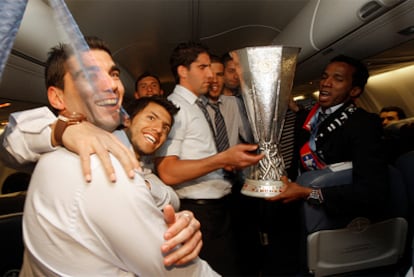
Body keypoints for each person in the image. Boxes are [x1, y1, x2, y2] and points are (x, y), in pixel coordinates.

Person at [1, 37, 213, 275]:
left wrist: (176, 215)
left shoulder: (131, 159)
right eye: (90, 75)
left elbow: (164, 195)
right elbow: (12, 141)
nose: (111, 84)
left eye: (113, 74)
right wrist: (62, 129)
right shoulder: (99, 166)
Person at [269, 55, 389, 272]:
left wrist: (307, 193)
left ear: (354, 91)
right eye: (325, 77)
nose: (326, 82)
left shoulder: (363, 125)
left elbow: (372, 192)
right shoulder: (310, 117)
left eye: (338, 79)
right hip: (297, 213)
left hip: (334, 221)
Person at [154, 41, 264, 276]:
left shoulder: (198, 106)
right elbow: (168, 171)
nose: (210, 74)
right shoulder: (176, 108)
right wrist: (222, 159)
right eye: (202, 67)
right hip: (200, 212)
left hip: (219, 207)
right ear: (183, 71)